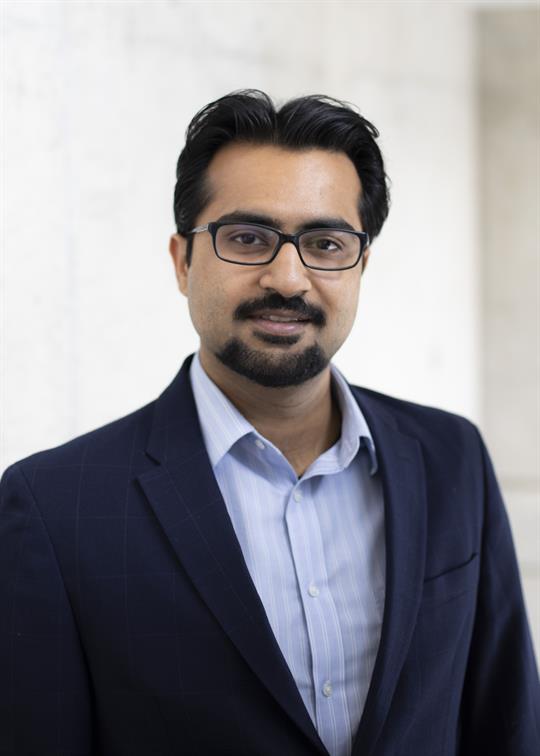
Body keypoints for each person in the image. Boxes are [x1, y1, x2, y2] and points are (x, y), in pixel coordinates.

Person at [1, 90, 538, 756]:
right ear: (182, 260)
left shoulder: (450, 457)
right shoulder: (56, 507)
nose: (288, 277)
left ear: (361, 264)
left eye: (325, 242)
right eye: (248, 238)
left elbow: (509, 722)